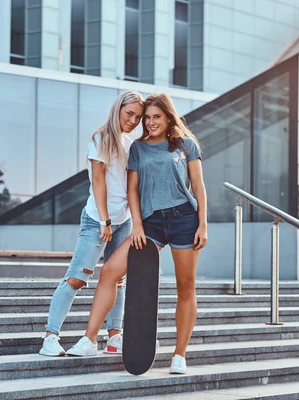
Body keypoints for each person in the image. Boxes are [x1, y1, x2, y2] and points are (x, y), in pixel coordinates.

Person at [65, 93, 208, 375]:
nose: (150, 122)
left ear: (168, 118)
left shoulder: (186, 146)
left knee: (185, 287)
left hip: (184, 221)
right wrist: (138, 226)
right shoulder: (138, 149)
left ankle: (179, 355)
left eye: (157, 117)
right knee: (110, 272)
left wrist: (203, 224)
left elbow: (199, 187)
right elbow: (132, 189)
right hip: (150, 224)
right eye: (147, 118)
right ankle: (89, 338)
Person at [38, 90, 145, 357]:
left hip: (124, 222)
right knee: (76, 278)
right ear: (118, 109)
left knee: (118, 279)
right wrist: (105, 220)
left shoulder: (130, 143)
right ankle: (50, 337)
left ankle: (114, 336)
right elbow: (97, 181)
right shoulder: (101, 138)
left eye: (138, 117)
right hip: (98, 221)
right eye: (129, 113)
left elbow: (130, 187)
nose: (133, 120)